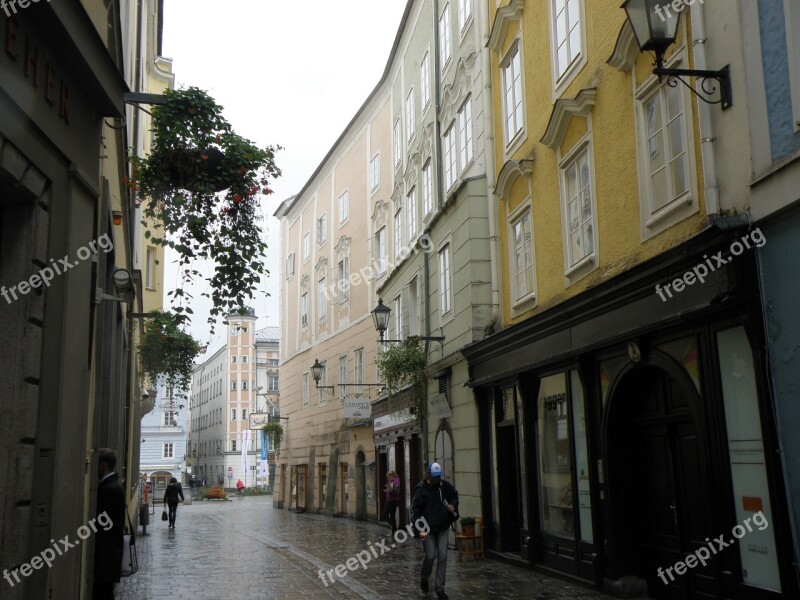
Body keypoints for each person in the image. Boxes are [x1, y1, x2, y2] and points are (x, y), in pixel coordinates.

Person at [411, 462, 459, 600]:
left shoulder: (444, 486)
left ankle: (440, 588)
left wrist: (453, 505)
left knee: (443, 557)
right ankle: (424, 578)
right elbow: (416, 511)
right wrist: (420, 529)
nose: (437, 479)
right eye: (435, 476)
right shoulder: (420, 489)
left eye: (439, 476)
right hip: (427, 530)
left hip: (443, 527)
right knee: (431, 555)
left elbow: (454, 495)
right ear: (429, 474)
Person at [93, 448, 125, 600]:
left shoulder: (108, 489)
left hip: (105, 554)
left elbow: (101, 523)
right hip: (110, 553)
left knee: (103, 593)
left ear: (103, 466)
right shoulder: (114, 485)